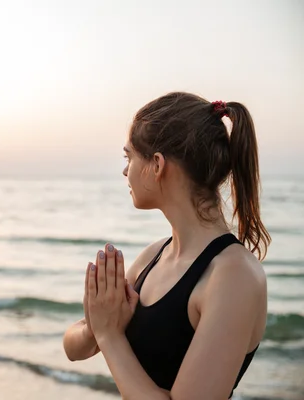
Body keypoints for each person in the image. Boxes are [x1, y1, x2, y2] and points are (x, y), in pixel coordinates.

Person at [62, 92, 270, 399]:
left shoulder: (233, 276)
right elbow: (74, 347)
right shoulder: (153, 256)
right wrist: (98, 322)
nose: (124, 170)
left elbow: (107, 337)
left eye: (129, 157)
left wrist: (109, 335)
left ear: (157, 165)